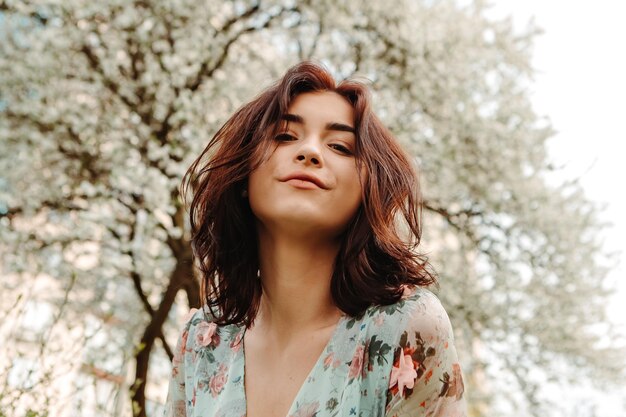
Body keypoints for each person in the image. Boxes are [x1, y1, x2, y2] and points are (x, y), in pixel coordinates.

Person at [164, 61, 466, 417]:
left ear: (367, 189)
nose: (310, 152)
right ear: (245, 175)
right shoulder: (202, 341)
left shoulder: (408, 327)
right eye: (285, 137)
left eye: (339, 146)